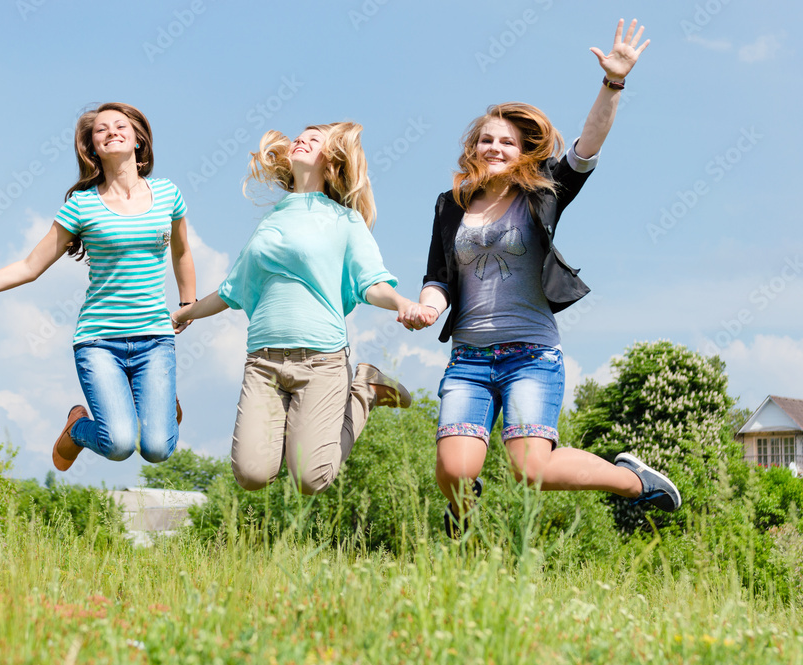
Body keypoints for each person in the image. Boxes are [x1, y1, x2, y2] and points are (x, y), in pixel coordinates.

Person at [401, 20, 681, 536]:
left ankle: (632, 481)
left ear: (522, 149)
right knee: (454, 471)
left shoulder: (544, 190)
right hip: (469, 358)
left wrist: (613, 82)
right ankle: (463, 510)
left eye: (505, 141)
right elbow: (438, 276)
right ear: (473, 147)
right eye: (485, 139)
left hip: (531, 354)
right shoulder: (451, 205)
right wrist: (426, 306)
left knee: (531, 470)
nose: (494, 147)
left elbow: (587, 148)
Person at [0, 102, 196, 472]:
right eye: (101, 130)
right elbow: (30, 266)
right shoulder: (82, 206)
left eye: (120, 126)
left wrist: (189, 303)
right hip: (99, 341)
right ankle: (77, 427)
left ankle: (157, 406)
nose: (111, 131)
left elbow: (182, 252)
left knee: (158, 450)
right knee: (118, 445)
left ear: (138, 141)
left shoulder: (167, 194)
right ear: (93, 148)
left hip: (155, 339)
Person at [173, 122, 420, 495]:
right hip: (264, 362)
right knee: (252, 475)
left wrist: (401, 303)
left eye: (314, 138)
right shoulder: (270, 221)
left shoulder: (345, 221)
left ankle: (365, 389)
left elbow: (371, 282)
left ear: (332, 159)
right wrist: (183, 312)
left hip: (321, 360)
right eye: (299, 136)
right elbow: (231, 290)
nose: (301, 139)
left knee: (311, 478)